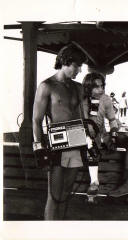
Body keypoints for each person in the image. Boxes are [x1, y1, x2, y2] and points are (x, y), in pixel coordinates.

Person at [32, 44, 87, 220]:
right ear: (65, 62)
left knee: (66, 195)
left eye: (80, 66)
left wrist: (89, 140)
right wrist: (39, 148)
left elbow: (80, 116)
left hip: (76, 138)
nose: (79, 70)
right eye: (76, 66)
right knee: (54, 195)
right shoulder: (47, 86)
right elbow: (36, 120)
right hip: (56, 141)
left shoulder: (78, 87)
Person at [82, 73, 121, 195]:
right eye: (97, 87)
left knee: (94, 146)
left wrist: (113, 135)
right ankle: (94, 182)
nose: (101, 90)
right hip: (82, 134)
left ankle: (94, 183)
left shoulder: (106, 99)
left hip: (98, 135)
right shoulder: (81, 99)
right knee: (90, 144)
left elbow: (112, 120)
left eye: (102, 86)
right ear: (88, 87)